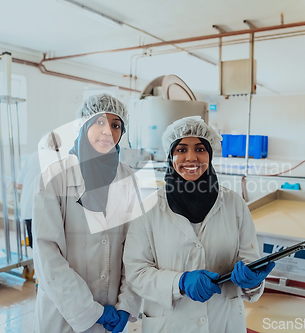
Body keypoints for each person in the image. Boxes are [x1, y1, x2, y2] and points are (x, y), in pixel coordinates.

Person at [123, 116, 274, 332]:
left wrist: (252, 281)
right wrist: (180, 283)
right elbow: (136, 272)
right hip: (170, 324)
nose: (191, 157)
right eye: (181, 150)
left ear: (210, 154)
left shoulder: (234, 205)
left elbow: (249, 262)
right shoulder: (149, 208)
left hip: (223, 321)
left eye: (200, 149)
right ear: (170, 155)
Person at [32, 94, 142, 333]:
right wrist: (90, 311)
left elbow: (136, 248)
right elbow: (47, 254)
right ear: (83, 125)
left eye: (115, 125)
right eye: (99, 122)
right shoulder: (55, 178)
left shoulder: (128, 178)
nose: (107, 131)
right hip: (64, 314)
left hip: (113, 308)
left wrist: (127, 303)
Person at [17, 133, 61, 248]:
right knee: (48, 247)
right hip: (46, 208)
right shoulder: (58, 159)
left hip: (28, 206)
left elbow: (18, 185)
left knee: (35, 245)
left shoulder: (32, 156)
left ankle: (35, 265)